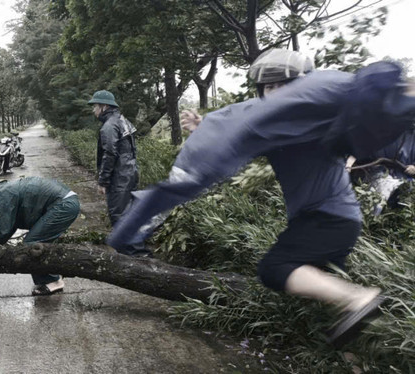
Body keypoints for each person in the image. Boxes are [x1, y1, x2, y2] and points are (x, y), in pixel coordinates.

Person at [108, 49, 415, 347]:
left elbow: (250, 126)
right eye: (268, 87)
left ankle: (360, 298)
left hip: (329, 220)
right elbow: (245, 133)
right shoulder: (292, 129)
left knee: (275, 269)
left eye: (281, 86)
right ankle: (360, 341)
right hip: (326, 221)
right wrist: (206, 128)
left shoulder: (315, 124)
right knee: (319, 306)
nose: (274, 94)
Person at [0, 176, 80, 295]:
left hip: (64, 205)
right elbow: (11, 225)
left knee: (32, 243)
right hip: (67, 202)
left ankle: (54, 282)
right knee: (38, 240)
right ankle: (50, 275)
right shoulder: (10, 190)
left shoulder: (4, 193)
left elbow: (3, 229)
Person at [88, 90, 149, 257]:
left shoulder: (109, 126)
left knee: (120, 216)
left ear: (104, 106)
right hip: (130, 172)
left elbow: (110, 154)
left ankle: (137, 257)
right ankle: (138, 253)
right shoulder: (122, 120)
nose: (93, 111)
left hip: (120, 177)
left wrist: (103, 181)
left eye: (95, 107)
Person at [346, 128, 415, 215]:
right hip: (375, 172)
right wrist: (349, 164)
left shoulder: (411, 135)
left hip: (404, 180)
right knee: (382, 192)